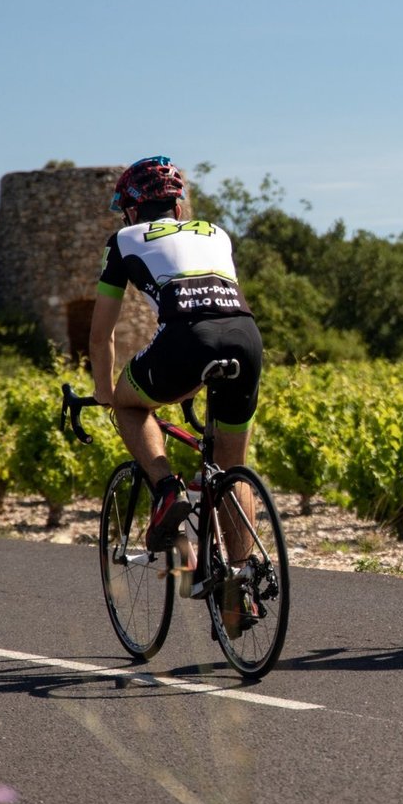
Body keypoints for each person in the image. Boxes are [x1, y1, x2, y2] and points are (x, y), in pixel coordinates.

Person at [89, 157, 265, 628]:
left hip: (186, 340)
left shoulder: (125, 239)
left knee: (130, 405)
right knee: (232, 465)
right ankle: (239, 588)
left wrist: (106, 393)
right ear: (179, 206)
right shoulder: (217, 233)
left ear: (130, 210)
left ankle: (168, 489)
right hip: (245, 337)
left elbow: (102, 334)